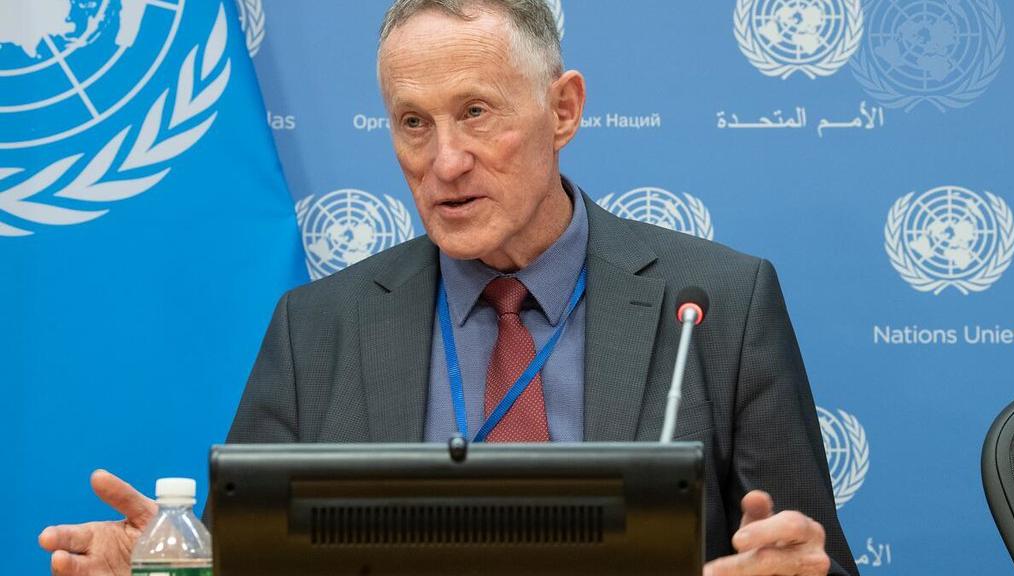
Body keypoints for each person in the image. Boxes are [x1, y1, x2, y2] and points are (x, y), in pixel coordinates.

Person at [38, 1, 859, 575]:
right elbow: (247, 561)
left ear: (562, 110)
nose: (445, 162)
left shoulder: (718, 304)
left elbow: (806, 558)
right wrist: (174, 565)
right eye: (413, 123)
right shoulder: (317, 328)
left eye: (475, 113)